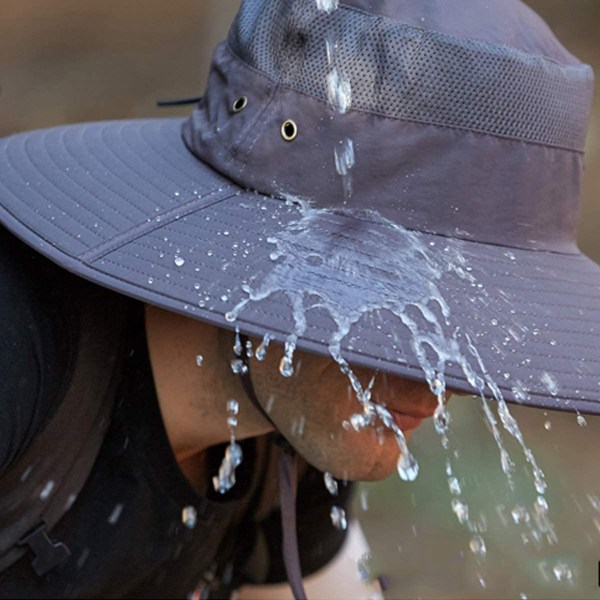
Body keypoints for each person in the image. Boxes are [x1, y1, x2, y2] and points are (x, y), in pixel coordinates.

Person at [0, 0, 598, 598]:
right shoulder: (23, 344)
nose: (442, 384)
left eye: (468, 324)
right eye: (402, 312)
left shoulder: (300, 422)